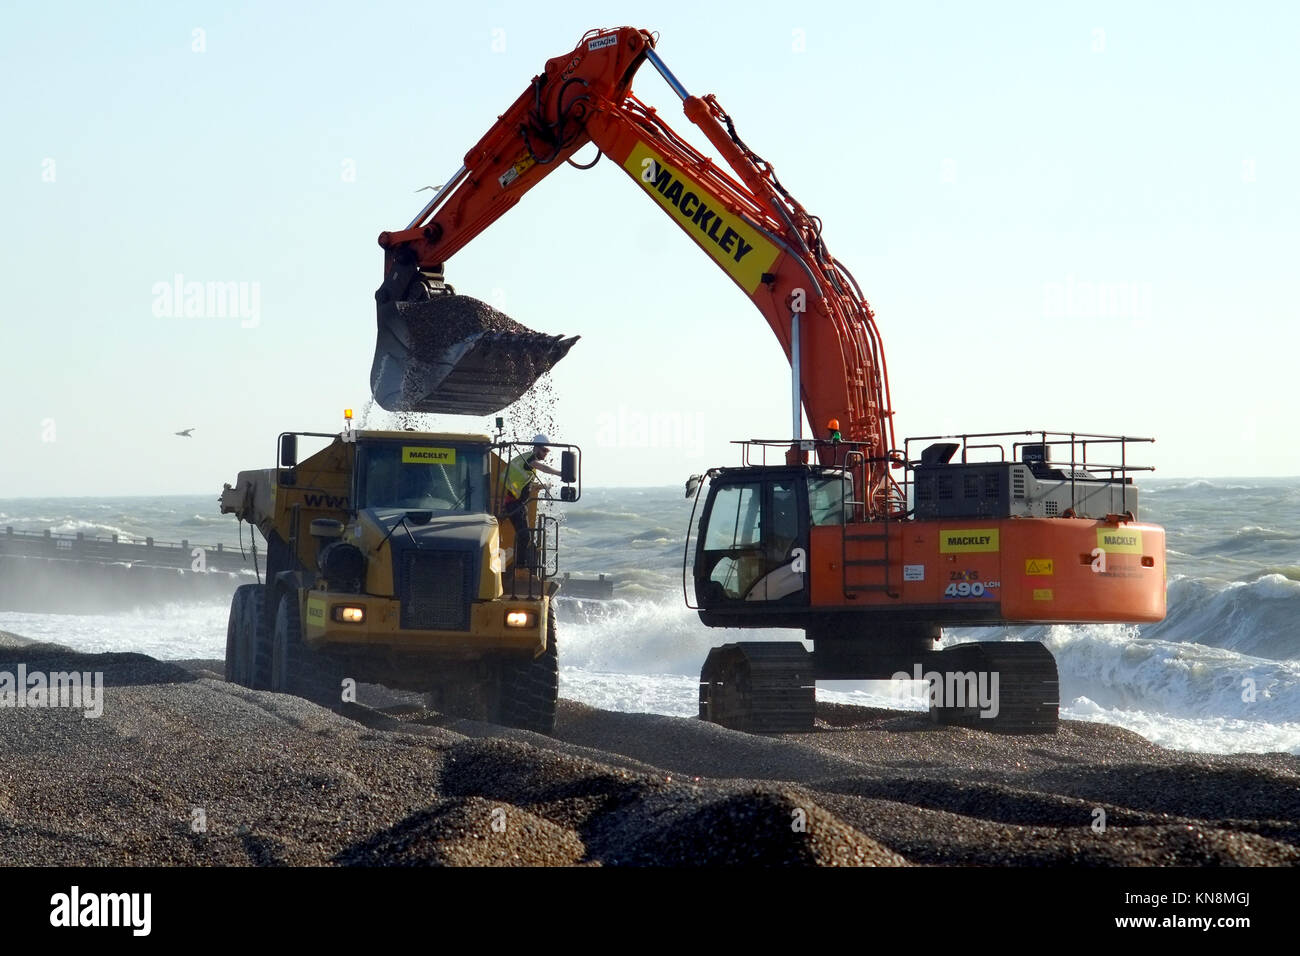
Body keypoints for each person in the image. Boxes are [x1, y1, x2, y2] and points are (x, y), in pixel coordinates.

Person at [500, 434, 563, 572]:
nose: (546, 454)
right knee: (524, 535)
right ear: (536, 448)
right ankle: (520, 567)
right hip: (515, 503)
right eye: (544, 450)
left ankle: (521, 565)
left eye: (547, 451)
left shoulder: (525, 459)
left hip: (516, 503)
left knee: (525, 535)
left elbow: (524, 483)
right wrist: (560, 473)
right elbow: (543, 468)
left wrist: (542, 486)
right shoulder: (530, 459)